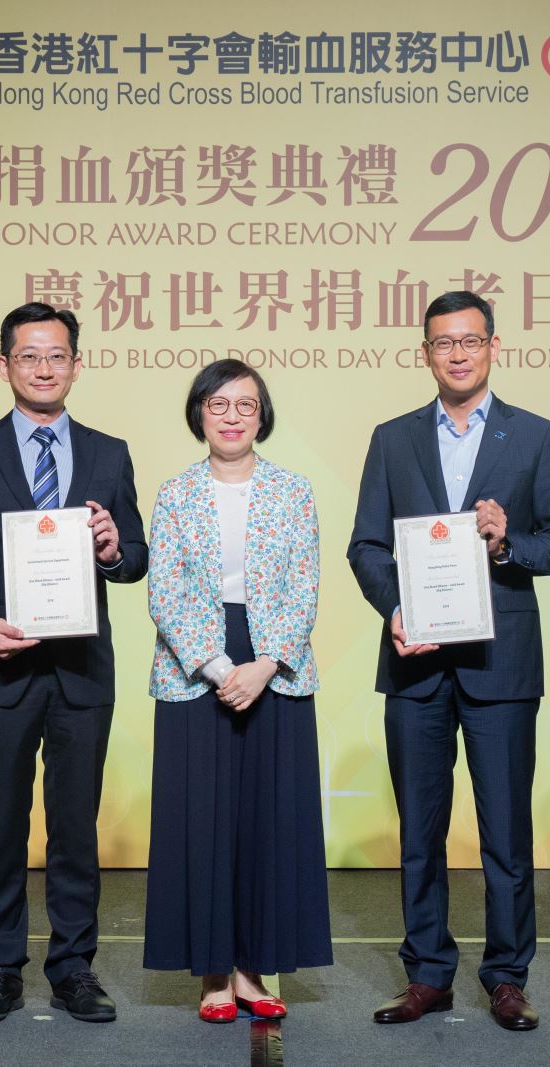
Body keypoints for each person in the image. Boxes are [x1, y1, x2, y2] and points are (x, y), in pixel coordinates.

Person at [348, 291, 550, 1030]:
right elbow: (366, 545)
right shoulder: (392, 438)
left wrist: (508, 541)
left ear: (492, 346)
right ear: (426, 352)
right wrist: (395, 608)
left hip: (500, 664)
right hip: (415, 662)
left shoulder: (536, 436)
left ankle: (507, 976)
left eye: (469, 341)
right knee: (419, 827)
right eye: (443, 342)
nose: (456, 353)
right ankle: (428, 974)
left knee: (505, 831)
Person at [0, 302, 147, 1025]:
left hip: (81, 668)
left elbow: (135, 557)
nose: (44, 368)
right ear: (4, 365)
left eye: (57, 356)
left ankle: (74, 965)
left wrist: (114, 549)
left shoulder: (109, 451)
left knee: (76, 825)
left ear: (77, 365)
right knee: (0, 823)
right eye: (29, 356)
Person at [143, 359, 333, 1023]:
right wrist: (221, 666)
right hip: (198, 668)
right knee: (203, 822)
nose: (230, 416)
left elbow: (304, 584)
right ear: (200, 413)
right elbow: (164, 590)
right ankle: (213, 974)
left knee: (266, 823)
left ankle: (254, 970)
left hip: (275, 666)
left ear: (262, 415)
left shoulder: (294, 490)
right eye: (218, 404)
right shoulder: (174, 493)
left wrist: (265, 661)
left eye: (244, 405)